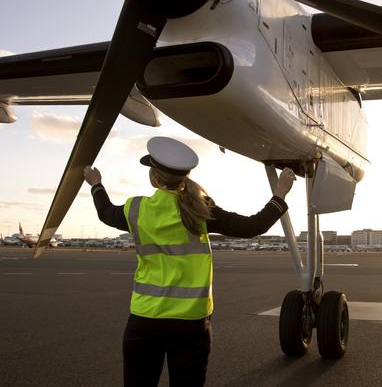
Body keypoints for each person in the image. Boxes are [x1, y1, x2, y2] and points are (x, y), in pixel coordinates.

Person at [83, 136, 296, 387]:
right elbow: (253, 226)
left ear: (154, 178)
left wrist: (96, 184)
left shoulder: (136, 210)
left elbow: (106, 213)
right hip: (191, 324)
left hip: (145, 319)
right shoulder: (201, 210)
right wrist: (280, 193)